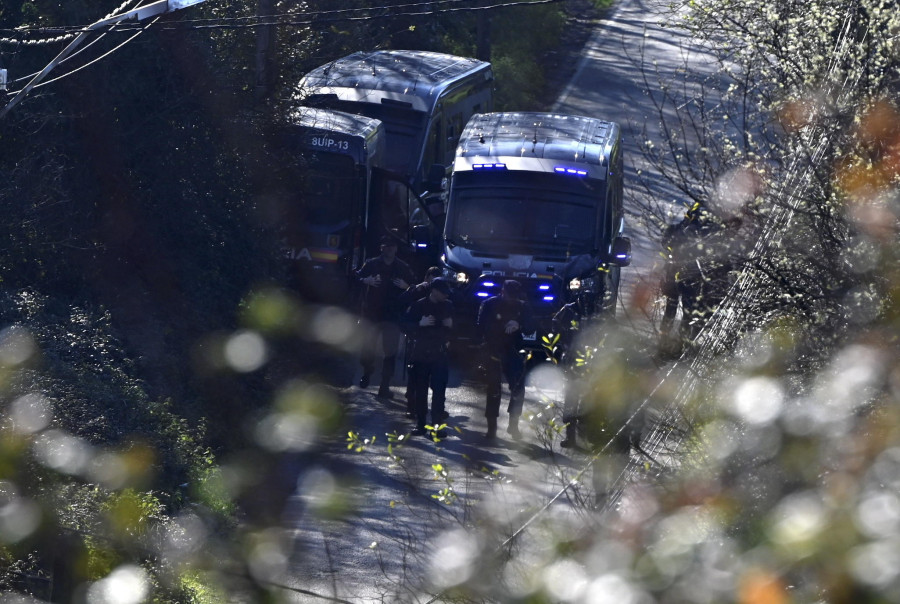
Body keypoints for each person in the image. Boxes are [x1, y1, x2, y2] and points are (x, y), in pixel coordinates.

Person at [355, 235, 415, 398]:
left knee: (390, 352)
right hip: (372, 313)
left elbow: (415, 288)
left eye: (392, 246)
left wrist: (407, 286)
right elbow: (355, 277)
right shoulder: (372, 264)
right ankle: (367, 371)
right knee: (367, 348)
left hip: (392, 315)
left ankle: (384, 386)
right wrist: (365, 280)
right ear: (381, 248)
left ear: (396, 248)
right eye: (386, 246)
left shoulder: (403, 267)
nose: (389, 249)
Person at [477, 279, 534, 440]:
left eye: (514, 296)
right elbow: (481, 327)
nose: (511, 299)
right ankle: (492, 427)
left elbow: (532, 327)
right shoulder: (489, 304)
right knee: (493, 389)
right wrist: (502, 325)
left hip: (513, 351)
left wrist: (519, 323)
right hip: (493, 349)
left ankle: (513, 424)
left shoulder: (523, 306)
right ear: (503, 292)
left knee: (518, 388)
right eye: (510, 296)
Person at [403, 277, 454, 437]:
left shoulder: (449, 306)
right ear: (434, 291)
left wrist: (451, 326)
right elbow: (404, 325)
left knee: (439, 391)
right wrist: (420, 323)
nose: (446, 295)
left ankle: (437, 427)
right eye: (443, 292)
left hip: (439, 353)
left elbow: (458, 329)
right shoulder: (419, 305)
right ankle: (420, 424)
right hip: (421, 353)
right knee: (421, 391)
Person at [400, 266, 444, 418]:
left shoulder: (444, 296)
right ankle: (411, 406)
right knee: (415, 376)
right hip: (417, 338)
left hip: (435, 341)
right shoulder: (418, 292)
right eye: (431, 281)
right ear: (426, 278)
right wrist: (414, 289)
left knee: (436, 379)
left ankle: (438, 407)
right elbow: (404, 305)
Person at [551, 295, 589, 448]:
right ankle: (571, 437)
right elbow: (555, 324)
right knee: (571, 402)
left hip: (589, 361)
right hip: (574, 360)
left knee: (585, 402)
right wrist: (565, 340)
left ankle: (583, 436)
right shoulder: (569, 309)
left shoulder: (596, 311)